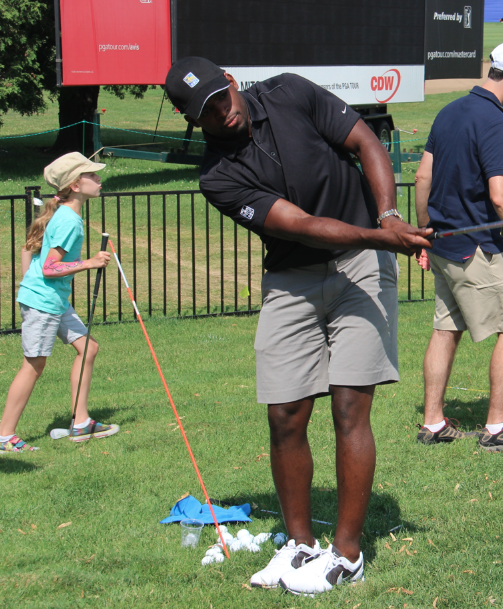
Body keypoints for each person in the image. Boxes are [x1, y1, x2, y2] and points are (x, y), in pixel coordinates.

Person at [164, 57, 432, 595]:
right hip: (292, 276)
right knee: (285, 412)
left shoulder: (288, 92)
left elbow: (366, 143)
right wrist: (383, 237)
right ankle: (300, 545)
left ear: (231, 83)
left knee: (349, 404)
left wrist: (387, 216)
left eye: (222, 98)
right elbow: (304, 227)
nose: (222, 113)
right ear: (192, 120)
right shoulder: (217, 177)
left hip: (360, 266)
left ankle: (347, 554)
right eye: (207, 112)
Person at [413, 39, 503, 452]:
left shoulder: (449, 111)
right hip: (476, 247)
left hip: (442, 244)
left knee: (445, 329)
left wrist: (425, 234)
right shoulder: (493, 121)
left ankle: (433, 423)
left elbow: (423, 179)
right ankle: (496, 428)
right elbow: (501, 197)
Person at [0, 153, 117, 454]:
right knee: (34, 365)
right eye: (93, 176)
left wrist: (30, 282)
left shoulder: (65, 215)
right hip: (44, 301)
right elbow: (49, 267)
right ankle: (3, 437)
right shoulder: (69, 221)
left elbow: (29, 252)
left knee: (88, 347)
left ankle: (81, 421)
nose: (99, 180)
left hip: (53, 299)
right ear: (75, 185)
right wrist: (89, 262)